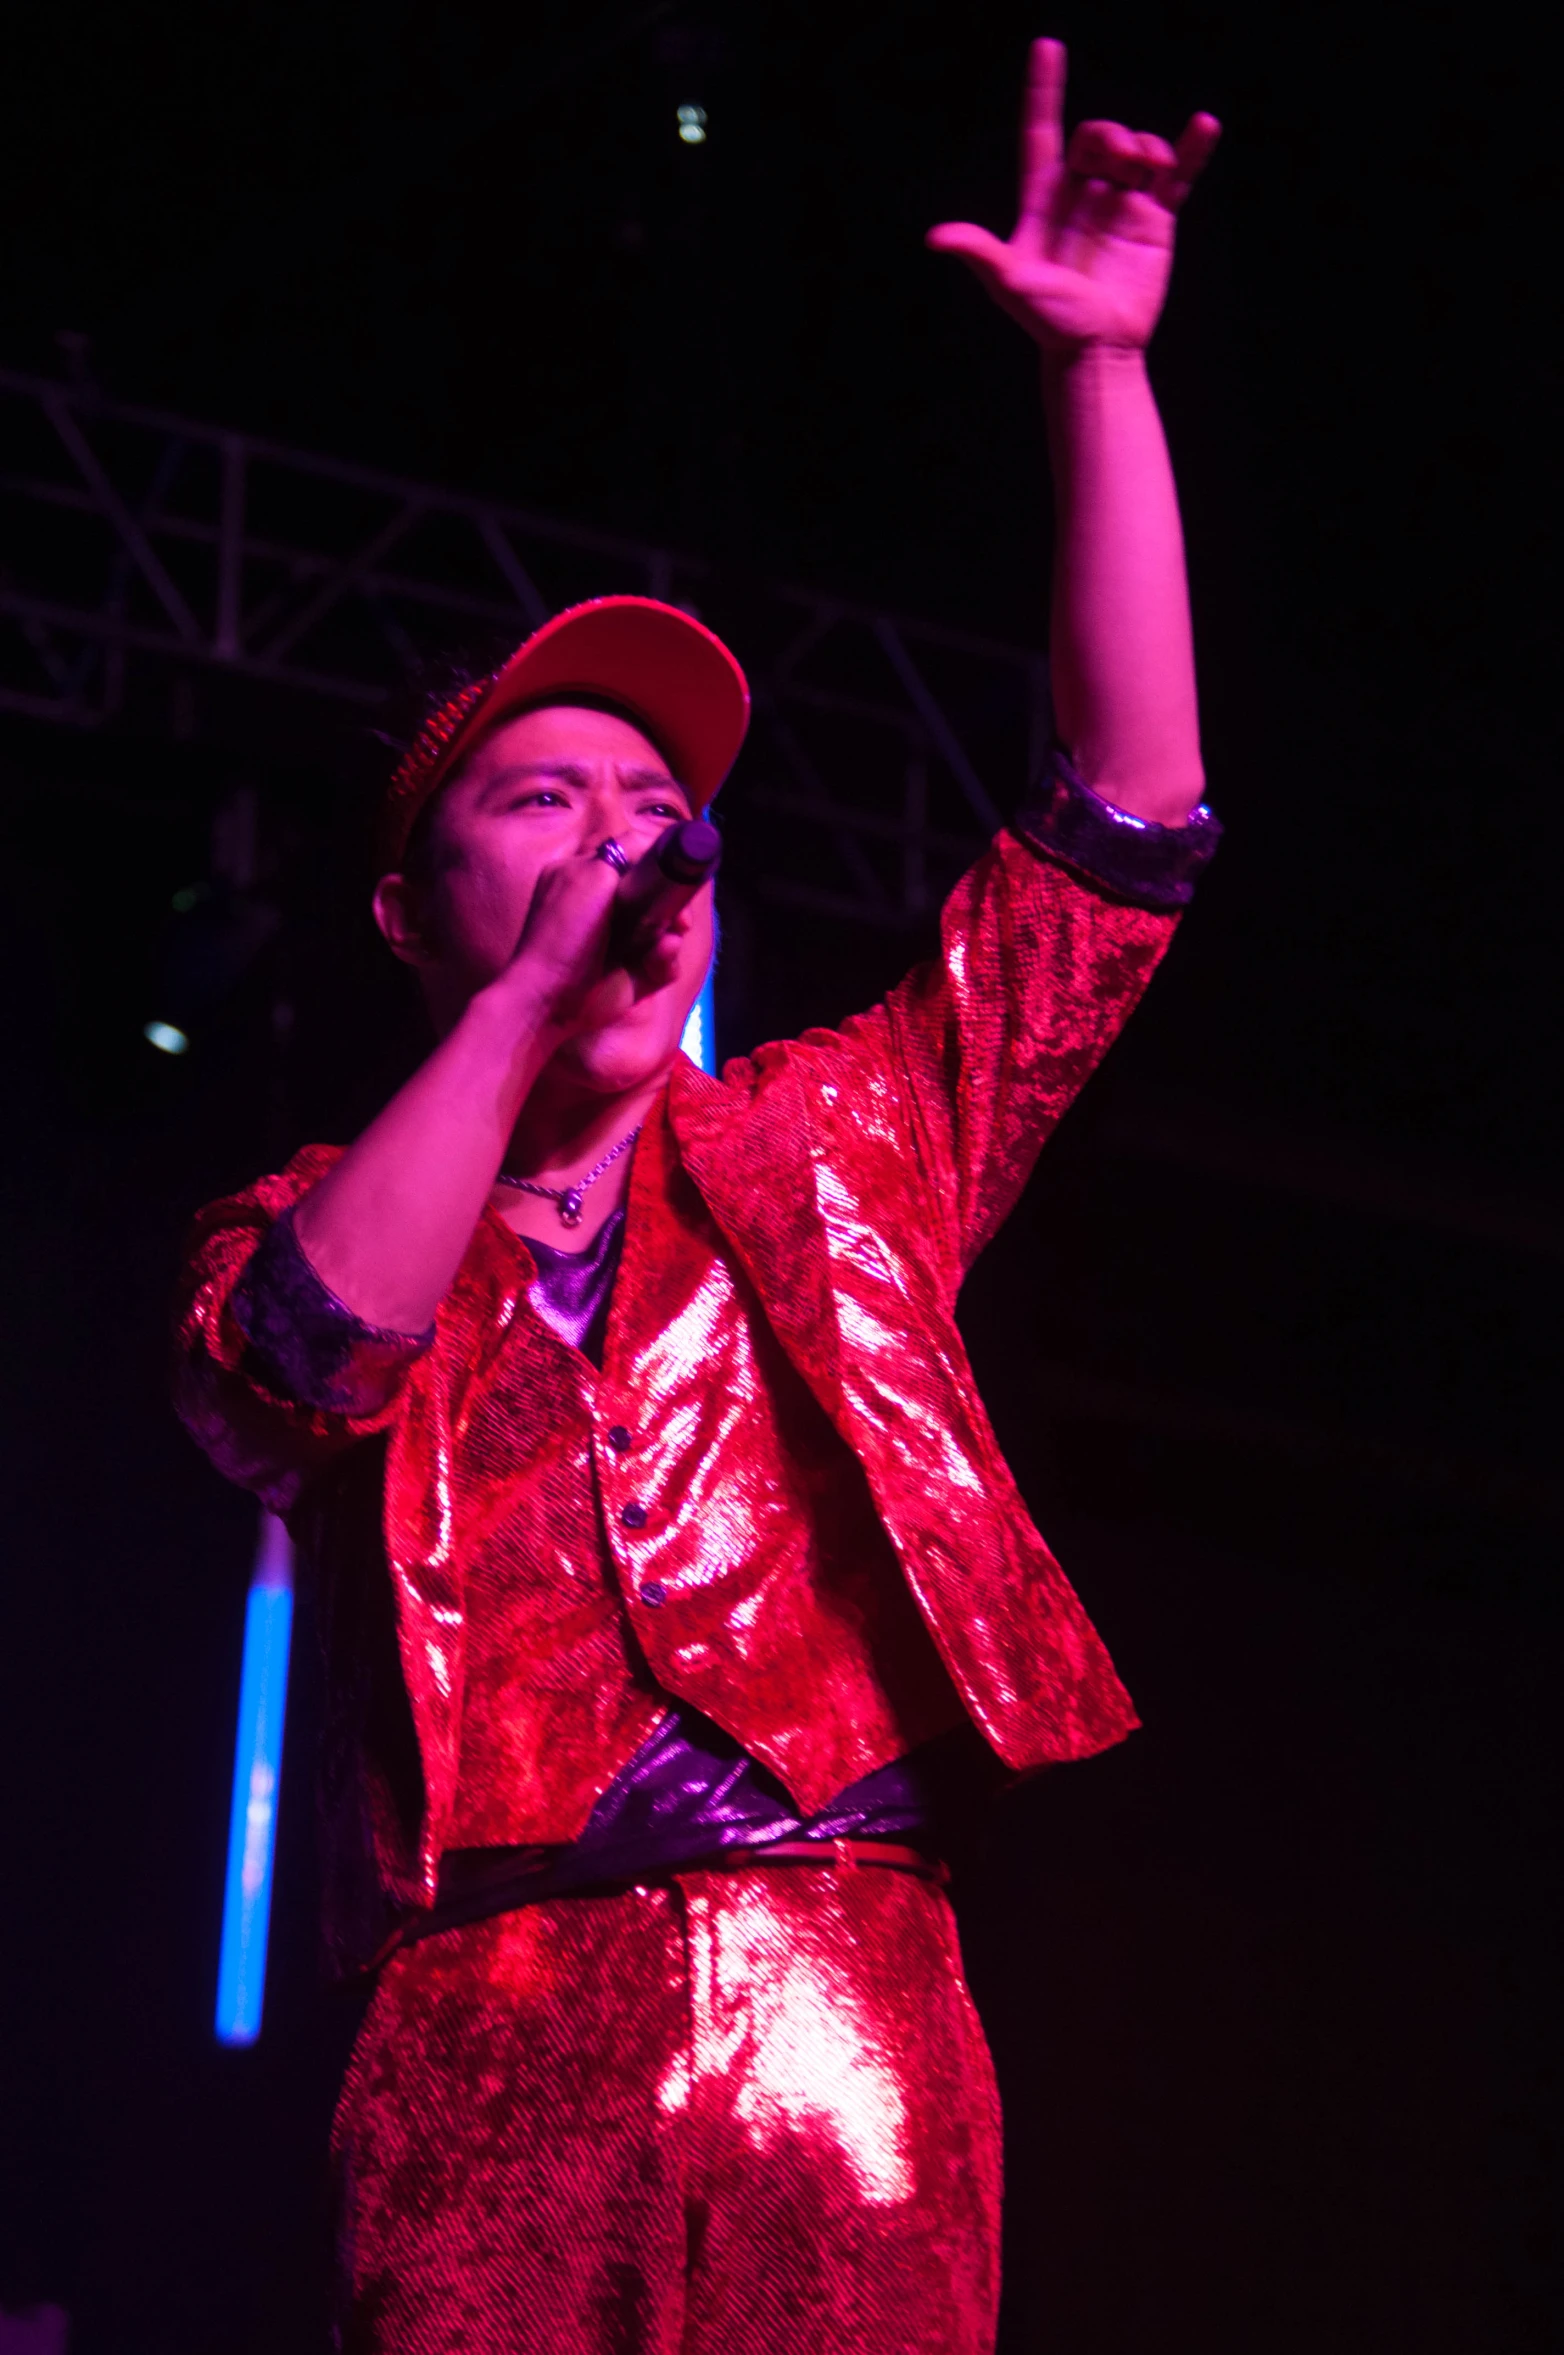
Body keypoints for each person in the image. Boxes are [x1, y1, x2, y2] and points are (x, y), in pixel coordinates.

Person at [175, 36, 1221, 2355]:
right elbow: (289, 1378)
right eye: (539, 801)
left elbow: (1123, 833)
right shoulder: (310, 1214)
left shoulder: (840, 1131)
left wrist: (1100, 378)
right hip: (476, 2019)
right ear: (408, 912)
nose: (619, 834)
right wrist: (530, 1007)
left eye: (650, 800)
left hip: (838, 1977)